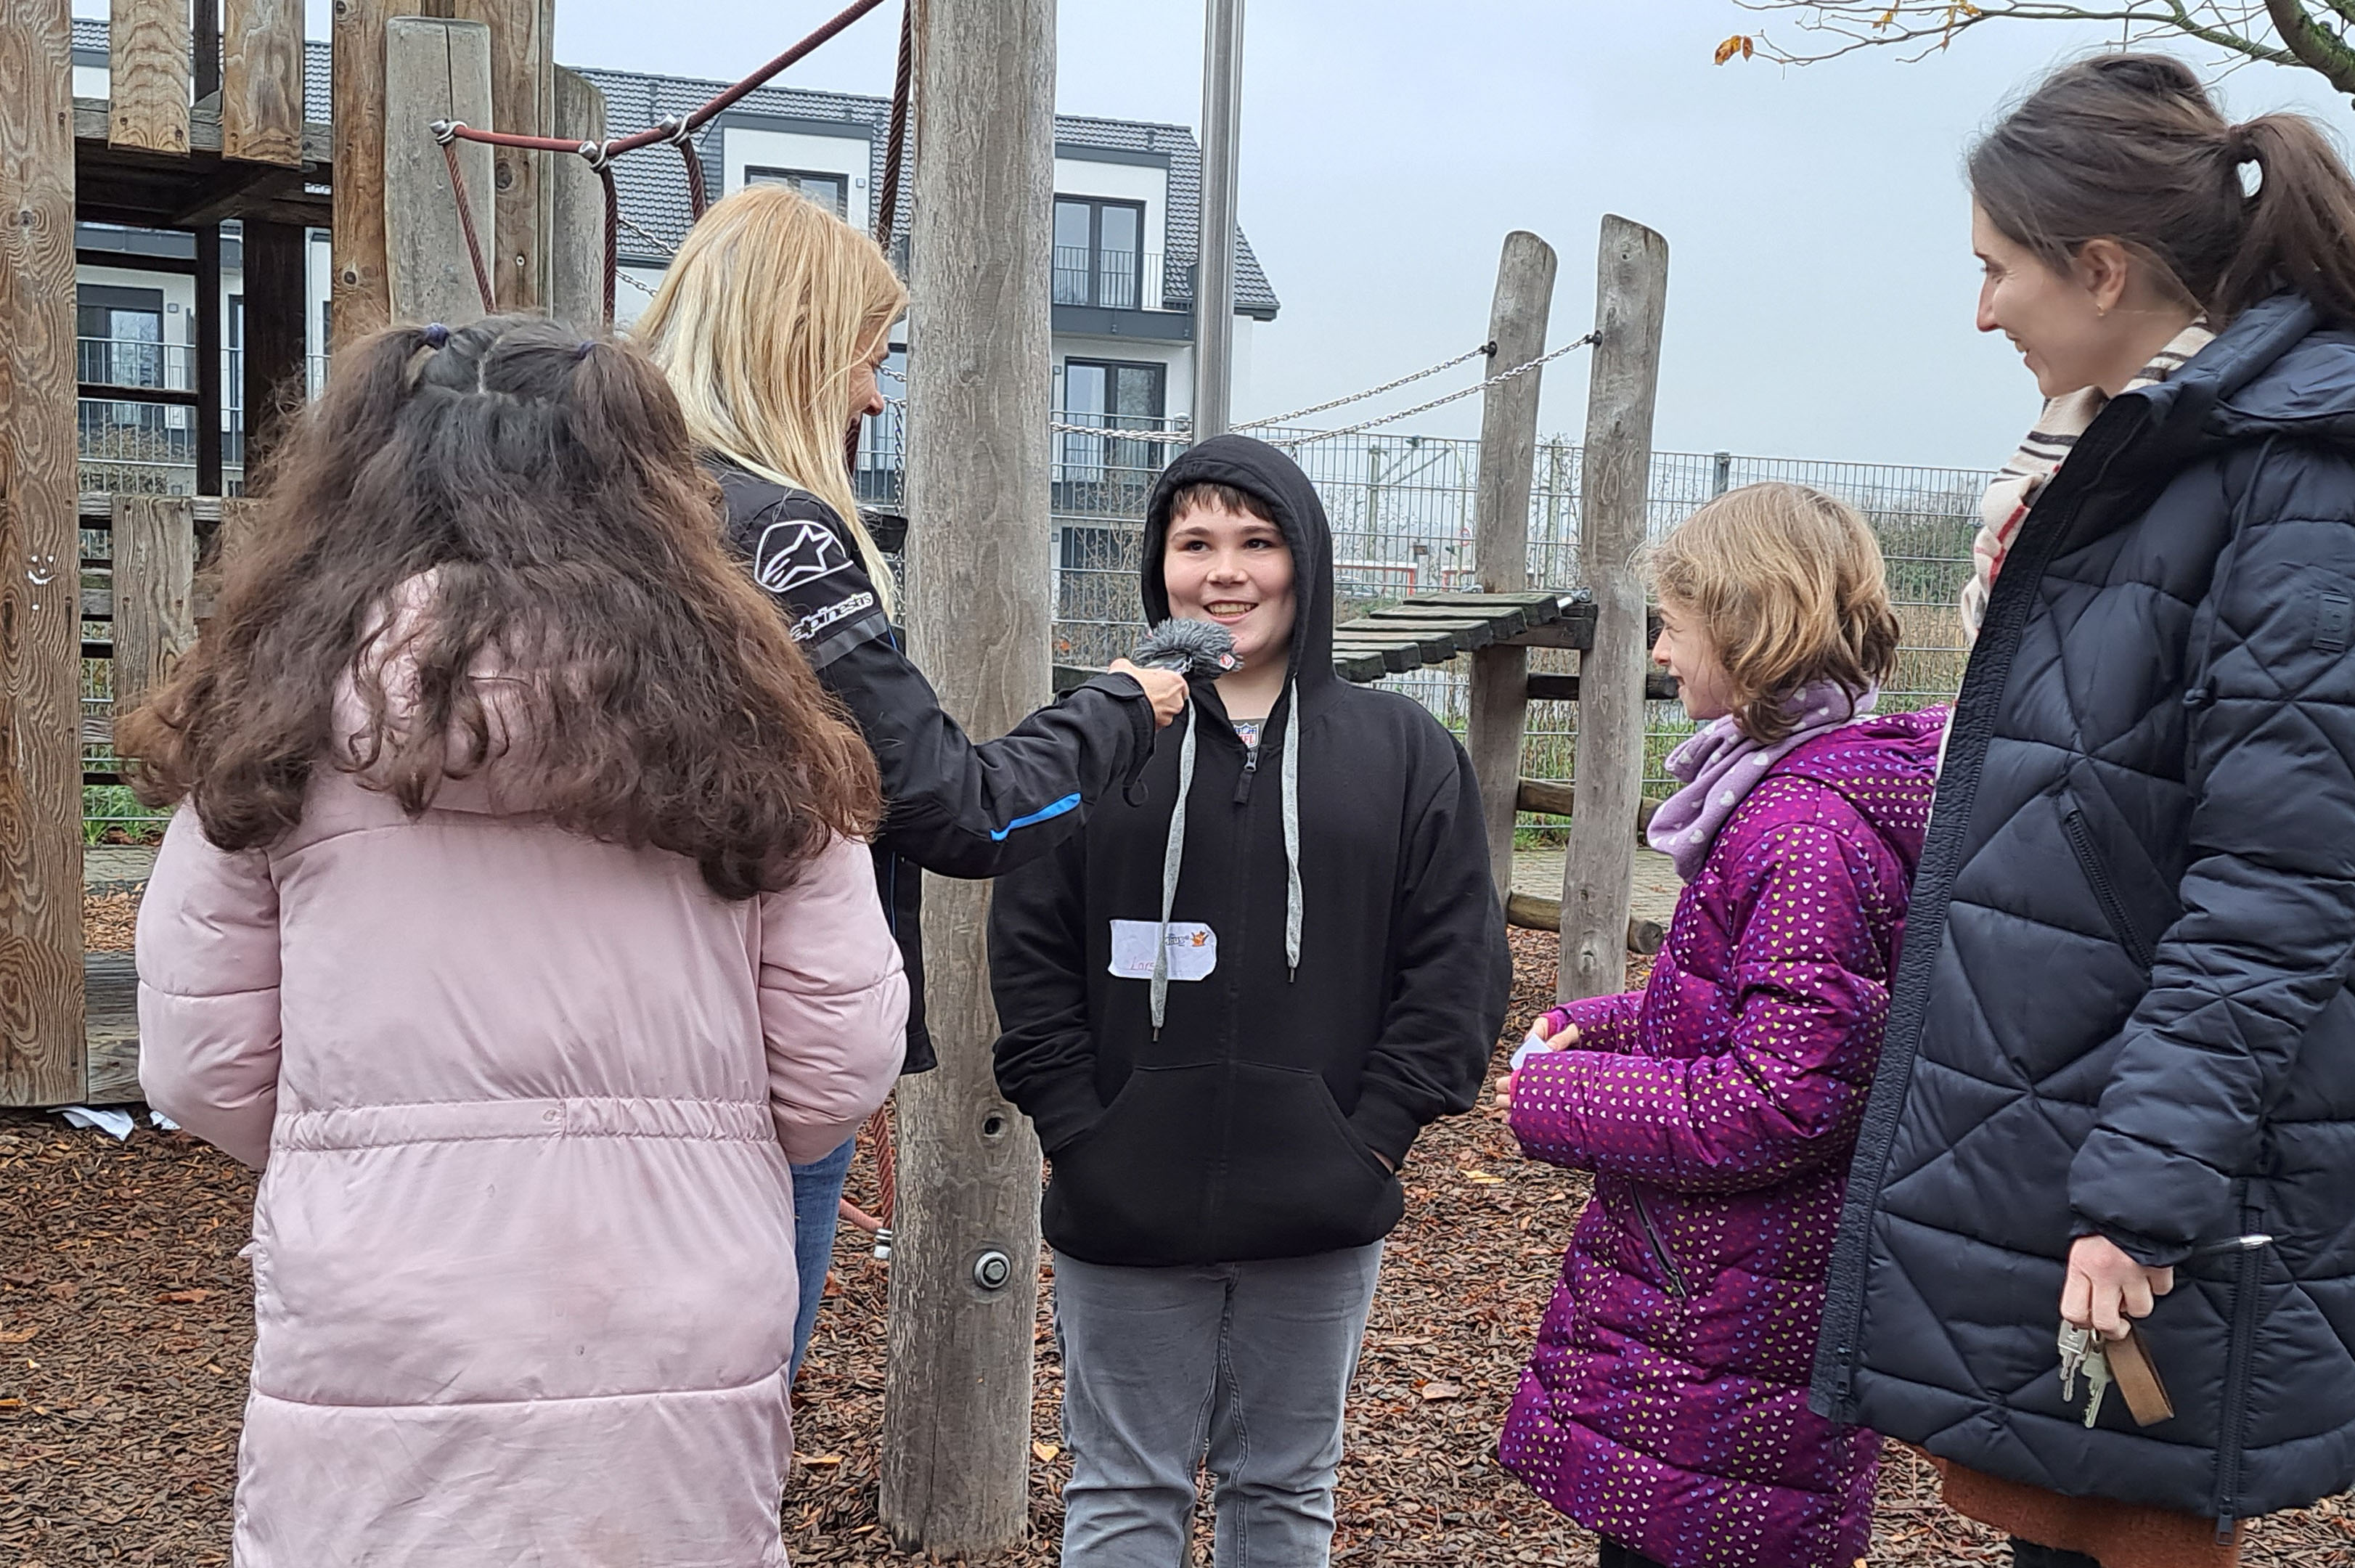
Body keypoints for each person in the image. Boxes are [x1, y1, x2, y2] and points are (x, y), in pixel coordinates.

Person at [1808, 54, 2355, 1568]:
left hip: (2161, 1164)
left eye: (1996, 270)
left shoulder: (2294, 494)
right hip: (2080, 1116)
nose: (1981, 309)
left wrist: (2139, 1193)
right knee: (2059, 1526)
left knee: (2118, 1535)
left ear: (2103, 266)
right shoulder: (2145, 469)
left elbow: (2280, 880)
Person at [125, 316, 909, 1565]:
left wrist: (365, 1146)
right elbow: (839, 1060)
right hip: (673, 1293)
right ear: (652, 488)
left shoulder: (272, 725)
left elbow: (200, 1065)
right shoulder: (759, 727)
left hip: (387, 1296)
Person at [633, 181, 1188, 1379]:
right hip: (748, 1055)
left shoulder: (602, 505)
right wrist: (1120, 710)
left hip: (596, 1036)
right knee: (723, 1398)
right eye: (865, 359)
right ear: (794, 348)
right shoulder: (781, 532)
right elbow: (953, 804)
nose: (875, 393)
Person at [987, 433, 1511, 1568]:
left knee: (1285, 1490)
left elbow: (1456, 965)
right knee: (1124, 1488)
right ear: (1157, 567)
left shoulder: (1402, 752)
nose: (1225, 572)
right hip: (1120, 1198)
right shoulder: (1095, 736)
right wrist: (1082, 1133)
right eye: (1195, 544)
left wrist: (1370, 1139)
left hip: (1319, 1201)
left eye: (1256, 541)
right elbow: (1029, 956)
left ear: (1304, 560)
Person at [1494, 483, 1941, 1568]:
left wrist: (1554, 1097)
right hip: (1724, 1304)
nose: (1658, 649)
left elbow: (1780, 1098)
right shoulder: (1790, 791)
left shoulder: (1802, 826)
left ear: (1749, 626)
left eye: (1674, 624)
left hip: (1734, 1316)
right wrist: (1608, 1025)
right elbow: (1776, 1008)